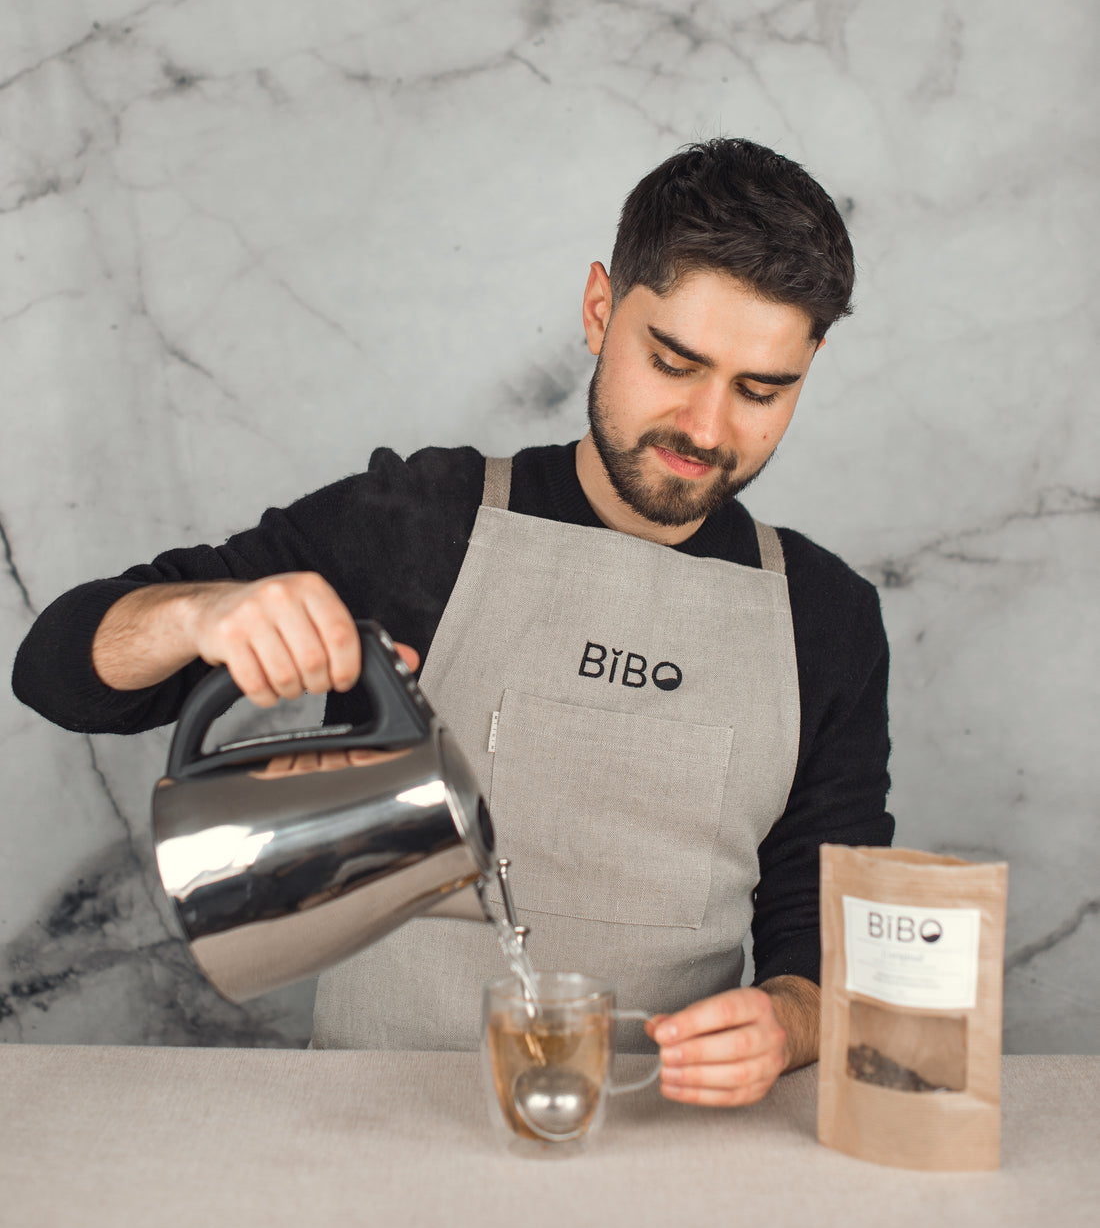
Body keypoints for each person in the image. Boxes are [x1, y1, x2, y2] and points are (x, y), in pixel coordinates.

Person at [13, 137, 893, 1109]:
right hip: (374, 1136)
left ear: (809, 365)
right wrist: (199, 612)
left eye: (760, 390)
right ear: (600, 310)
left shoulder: (822, 613)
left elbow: (821, 928)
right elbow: (57, 672)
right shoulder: (421, 523)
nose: (705, 426)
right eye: (673, 362)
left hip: (668, 1155)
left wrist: (790, 1022)